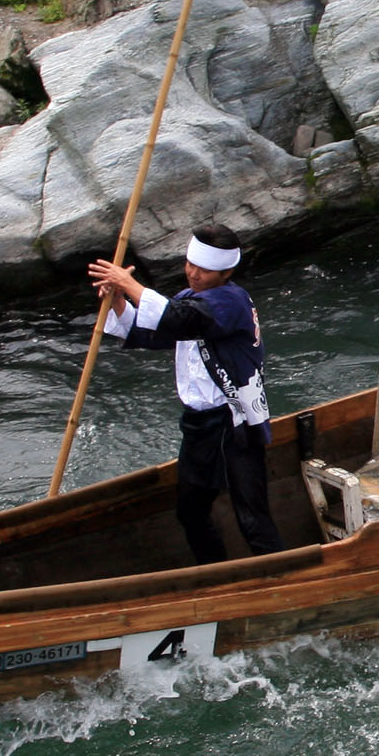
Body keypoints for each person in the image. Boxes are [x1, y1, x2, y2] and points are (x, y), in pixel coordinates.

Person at [89, 228, 285, 564]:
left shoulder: (231, 302)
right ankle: (215, 571)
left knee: (252, 518)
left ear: (226, 273)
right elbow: (155, 331)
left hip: (234, 421)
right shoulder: (189, 298)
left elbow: (179, 319)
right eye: (190, 265)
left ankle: (282, 575)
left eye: (204, 270)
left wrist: (130, 284)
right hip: (198, 425)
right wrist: (119, 298)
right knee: (190, 512)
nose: (193, 273)